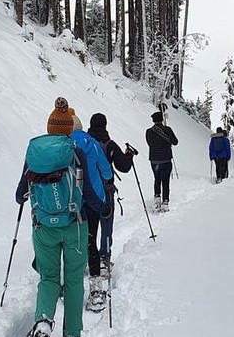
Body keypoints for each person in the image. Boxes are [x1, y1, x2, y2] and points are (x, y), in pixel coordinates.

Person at [14, 98, 101, 337]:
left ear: (49, 128)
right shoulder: (76, 152)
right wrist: (104, 208)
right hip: (74, 226)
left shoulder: (35, 154)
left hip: (43, 229)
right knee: (74, 280)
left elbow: (20, 194)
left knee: (49, 278)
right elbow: (89, 192)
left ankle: (42, 322)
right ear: (68, 130)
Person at [68, 113, 115, 313]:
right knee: (91, 238)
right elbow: (106, 172)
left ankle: (69, 283)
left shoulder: (64, 144)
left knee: (72, 239)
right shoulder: (93, 143)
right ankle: (96, 284)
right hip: (94, 199)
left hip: (71, 200)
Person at [87, 113, 136, 273]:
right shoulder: (109, 144)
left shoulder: (85, 143)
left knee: (88, 226)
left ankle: (88, 256)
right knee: (106, 225)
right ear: (105, 125)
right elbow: (124, 167)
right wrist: (129, 155)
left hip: (86, 191)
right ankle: (104, 257)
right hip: (105, 190)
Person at [145, 109, 178, 212]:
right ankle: (165, 202)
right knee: (165, 181)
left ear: (153, 120)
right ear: (162, 119)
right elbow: (175, 142)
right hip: (166, 159)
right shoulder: (167, 129)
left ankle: (157, 200)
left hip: (154, 160)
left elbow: (149, 143)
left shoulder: (149, 131)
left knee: (157, 179)